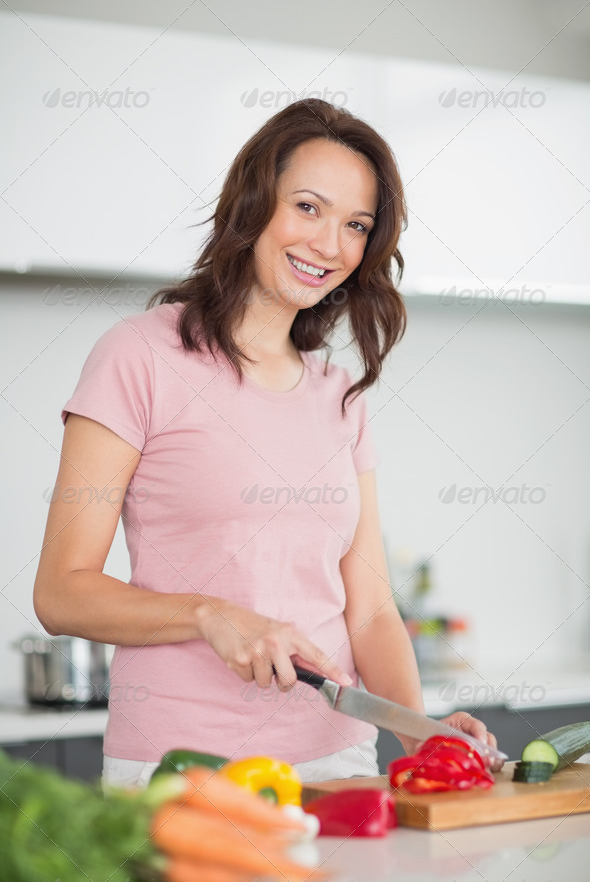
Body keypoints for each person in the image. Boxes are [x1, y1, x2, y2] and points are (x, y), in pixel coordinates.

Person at [34, 98, 501, 789]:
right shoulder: (139, 356)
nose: (328, 243)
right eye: (308, 207)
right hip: (183, 769)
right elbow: (61, 591)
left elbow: (369, 609)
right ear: (252, 204)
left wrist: (424, 730)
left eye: (356, 225)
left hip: (339, 764)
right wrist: (210, 613)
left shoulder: (339, 395)